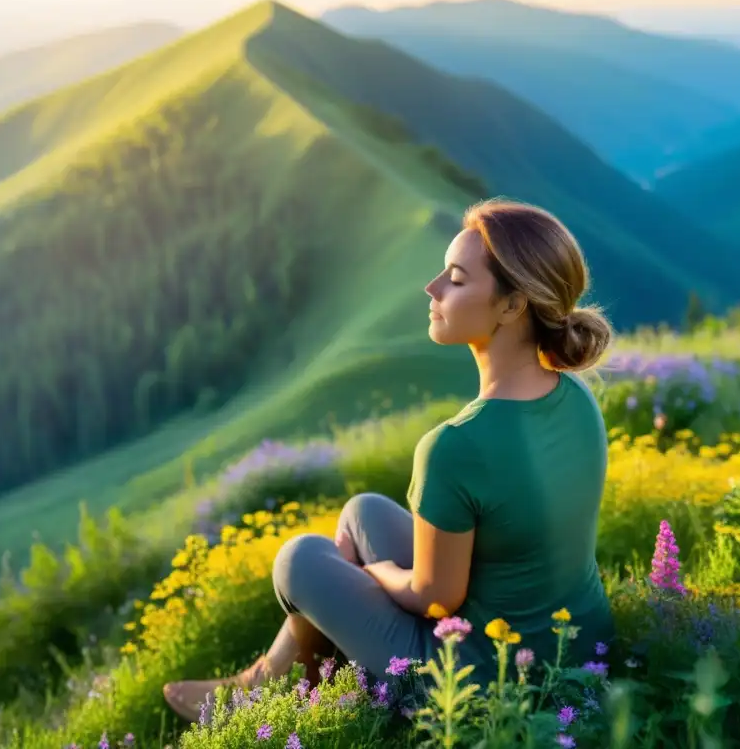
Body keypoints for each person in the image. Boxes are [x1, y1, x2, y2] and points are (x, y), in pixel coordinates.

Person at [162, 197, 616, 721]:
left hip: (485, 683)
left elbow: (435, 598)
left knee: (301, 559)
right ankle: (269, 679)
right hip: (580, 647)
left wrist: (374, 572)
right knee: (363, 512)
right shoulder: (576, 396)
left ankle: (270, 696)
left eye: (456, 278)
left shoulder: (454, 445)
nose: (433, 288)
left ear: (513, 306)